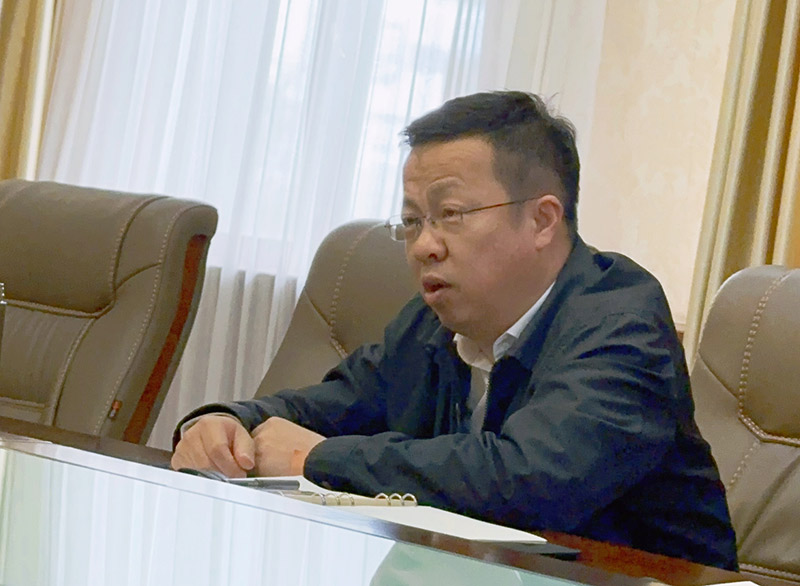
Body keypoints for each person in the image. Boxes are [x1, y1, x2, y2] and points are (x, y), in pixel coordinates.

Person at [171, 91, 738, 570]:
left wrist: (318, 462)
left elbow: (528, 482)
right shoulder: (432, 321)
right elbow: (325, 409)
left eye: (451, 215)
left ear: (542, 220)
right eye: (412, 220)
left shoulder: (621, 321)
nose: (424, 245)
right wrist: (227, 422)